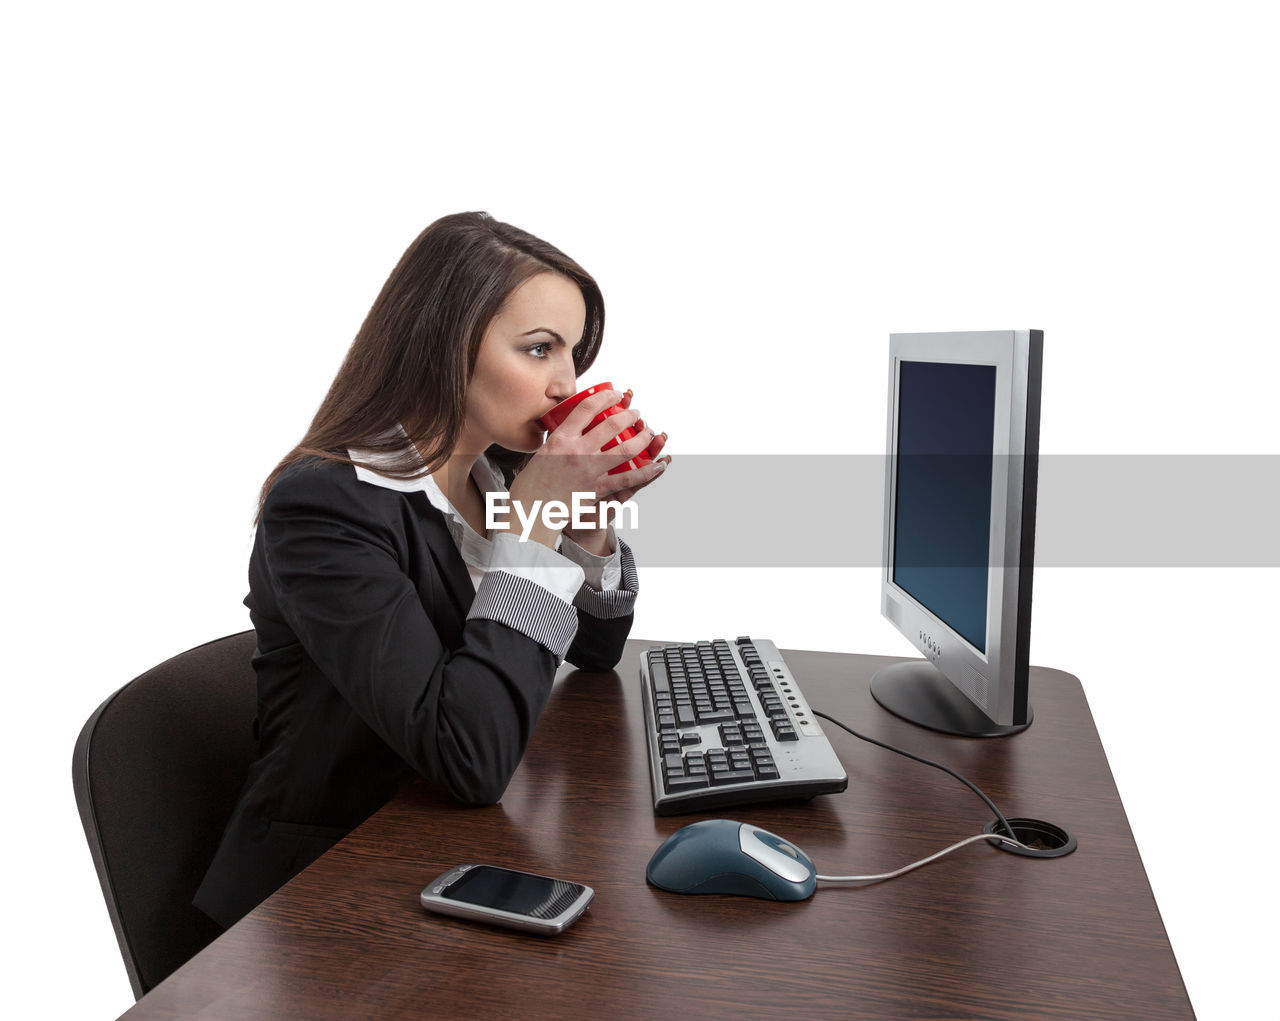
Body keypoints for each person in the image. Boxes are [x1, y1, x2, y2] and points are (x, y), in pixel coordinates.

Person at [194, 212, 669, 928]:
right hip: (328, 900)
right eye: (539, 349)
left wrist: (585, 518)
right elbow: (469, 755)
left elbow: (595, 651)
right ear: (445, 346)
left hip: (451, 852)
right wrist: (537, 524)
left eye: (573, 354)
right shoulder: (324, 505)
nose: (566, 384)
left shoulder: (494, 479)